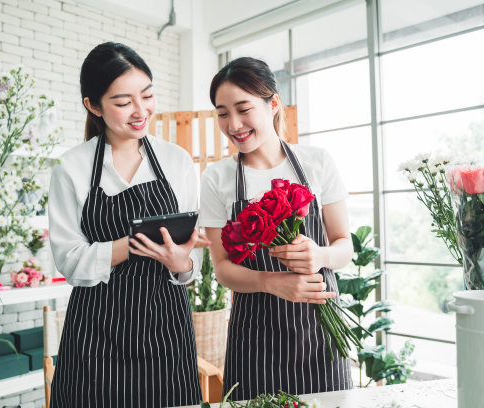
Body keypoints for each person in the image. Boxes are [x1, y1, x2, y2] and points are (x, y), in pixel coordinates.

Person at [48, 42, 206, 407]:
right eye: (123, 102)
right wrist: (135, 243)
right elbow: (70, 261)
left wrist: (181, 262)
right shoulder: (71, 167)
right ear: (93, 105)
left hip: (166, 327)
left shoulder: (176, 161)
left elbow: (188, 264)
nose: (141, 111)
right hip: (96, 329)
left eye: (147, 95)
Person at [199, 57, 354, 399]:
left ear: (273, 105)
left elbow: (345, 245)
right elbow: (223, 269)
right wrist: (271, 282)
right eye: (223, 113)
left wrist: (321, 254)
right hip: (255, 336)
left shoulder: (317, 162)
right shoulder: (217, 179)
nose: (233, 123)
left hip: (320, 334)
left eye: (243, 109)